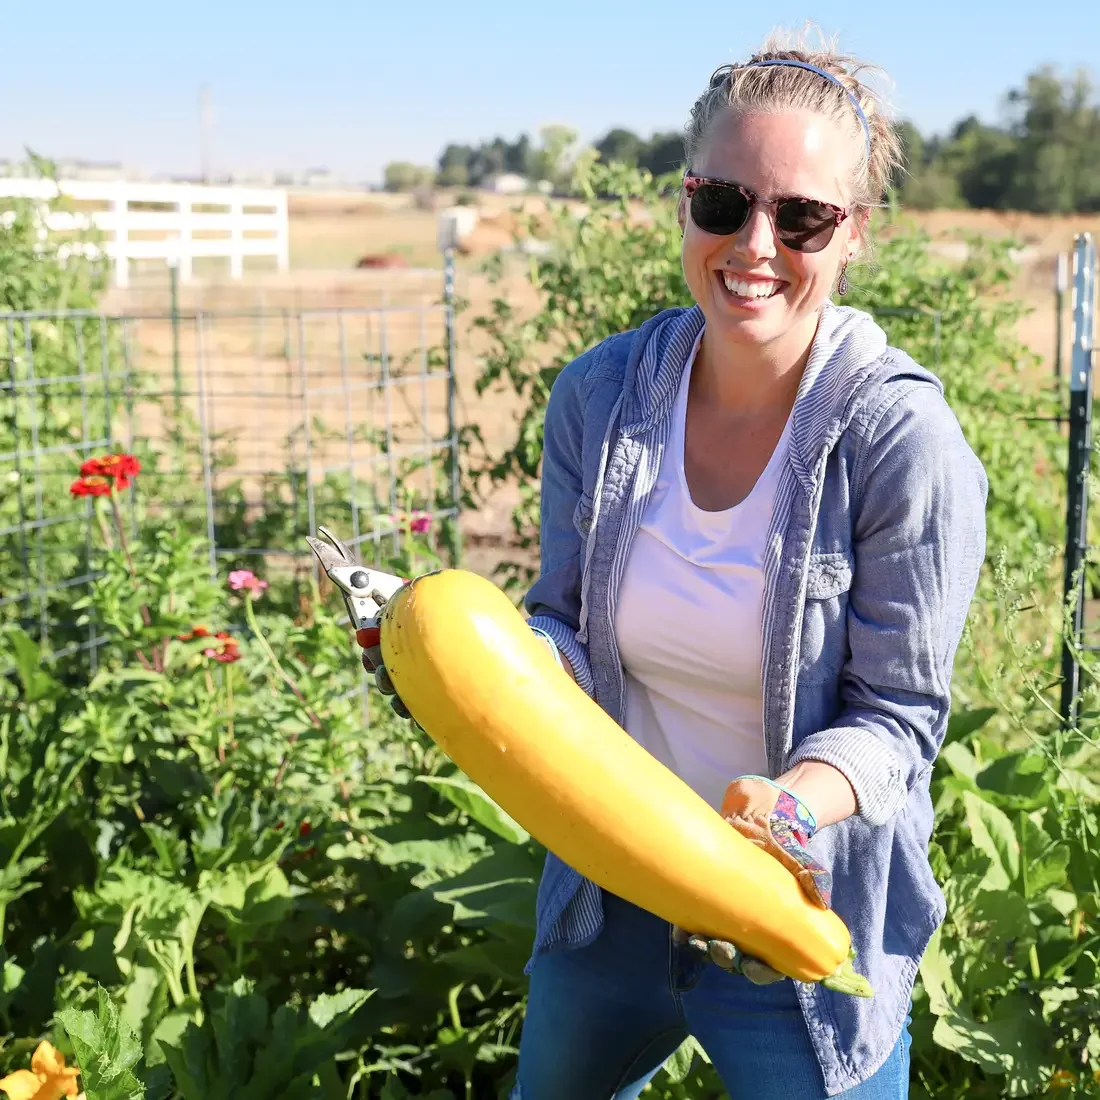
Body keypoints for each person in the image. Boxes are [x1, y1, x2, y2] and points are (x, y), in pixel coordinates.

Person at [363, 28, 988, 1100]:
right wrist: (449, 656)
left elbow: (896, 716)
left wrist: (787, 807)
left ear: (853, 236)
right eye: (722, 202)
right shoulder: (599, 397)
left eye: (800, 217)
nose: (753, 243)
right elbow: (558, 628)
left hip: (791, 914)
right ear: (684, 199)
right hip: (608, 889)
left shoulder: (898, 441)